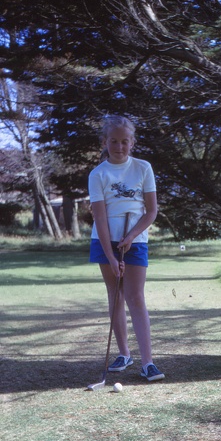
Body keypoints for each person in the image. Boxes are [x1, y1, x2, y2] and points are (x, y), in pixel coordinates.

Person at [88, 115, 165, 381]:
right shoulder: (98, 174)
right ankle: (124, 353)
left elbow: (151, 211)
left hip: (136, 237)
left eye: (124, 141)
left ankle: (147, 362)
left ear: (132, 143)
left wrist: (132, 236)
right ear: (104, 142)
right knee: (115, 294)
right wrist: (110, 256)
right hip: (104, 239)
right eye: (113, 141)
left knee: (135, 296)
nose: (119, 146)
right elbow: (99, 216)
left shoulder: (143, 168)